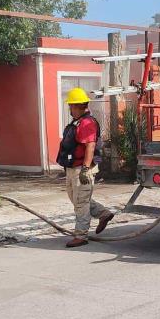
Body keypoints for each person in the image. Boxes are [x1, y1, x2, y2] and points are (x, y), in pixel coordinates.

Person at [57, 87, 114, 248]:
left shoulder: (87, 123)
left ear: (78, 106)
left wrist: (84, 169)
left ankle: (81, 235)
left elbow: (90, 146)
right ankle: (104, 214)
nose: (69, 109)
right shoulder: (78, 122)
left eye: (71, 106)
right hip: (72, 168)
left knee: (81, 202)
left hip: (82, 169)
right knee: (76, 198)